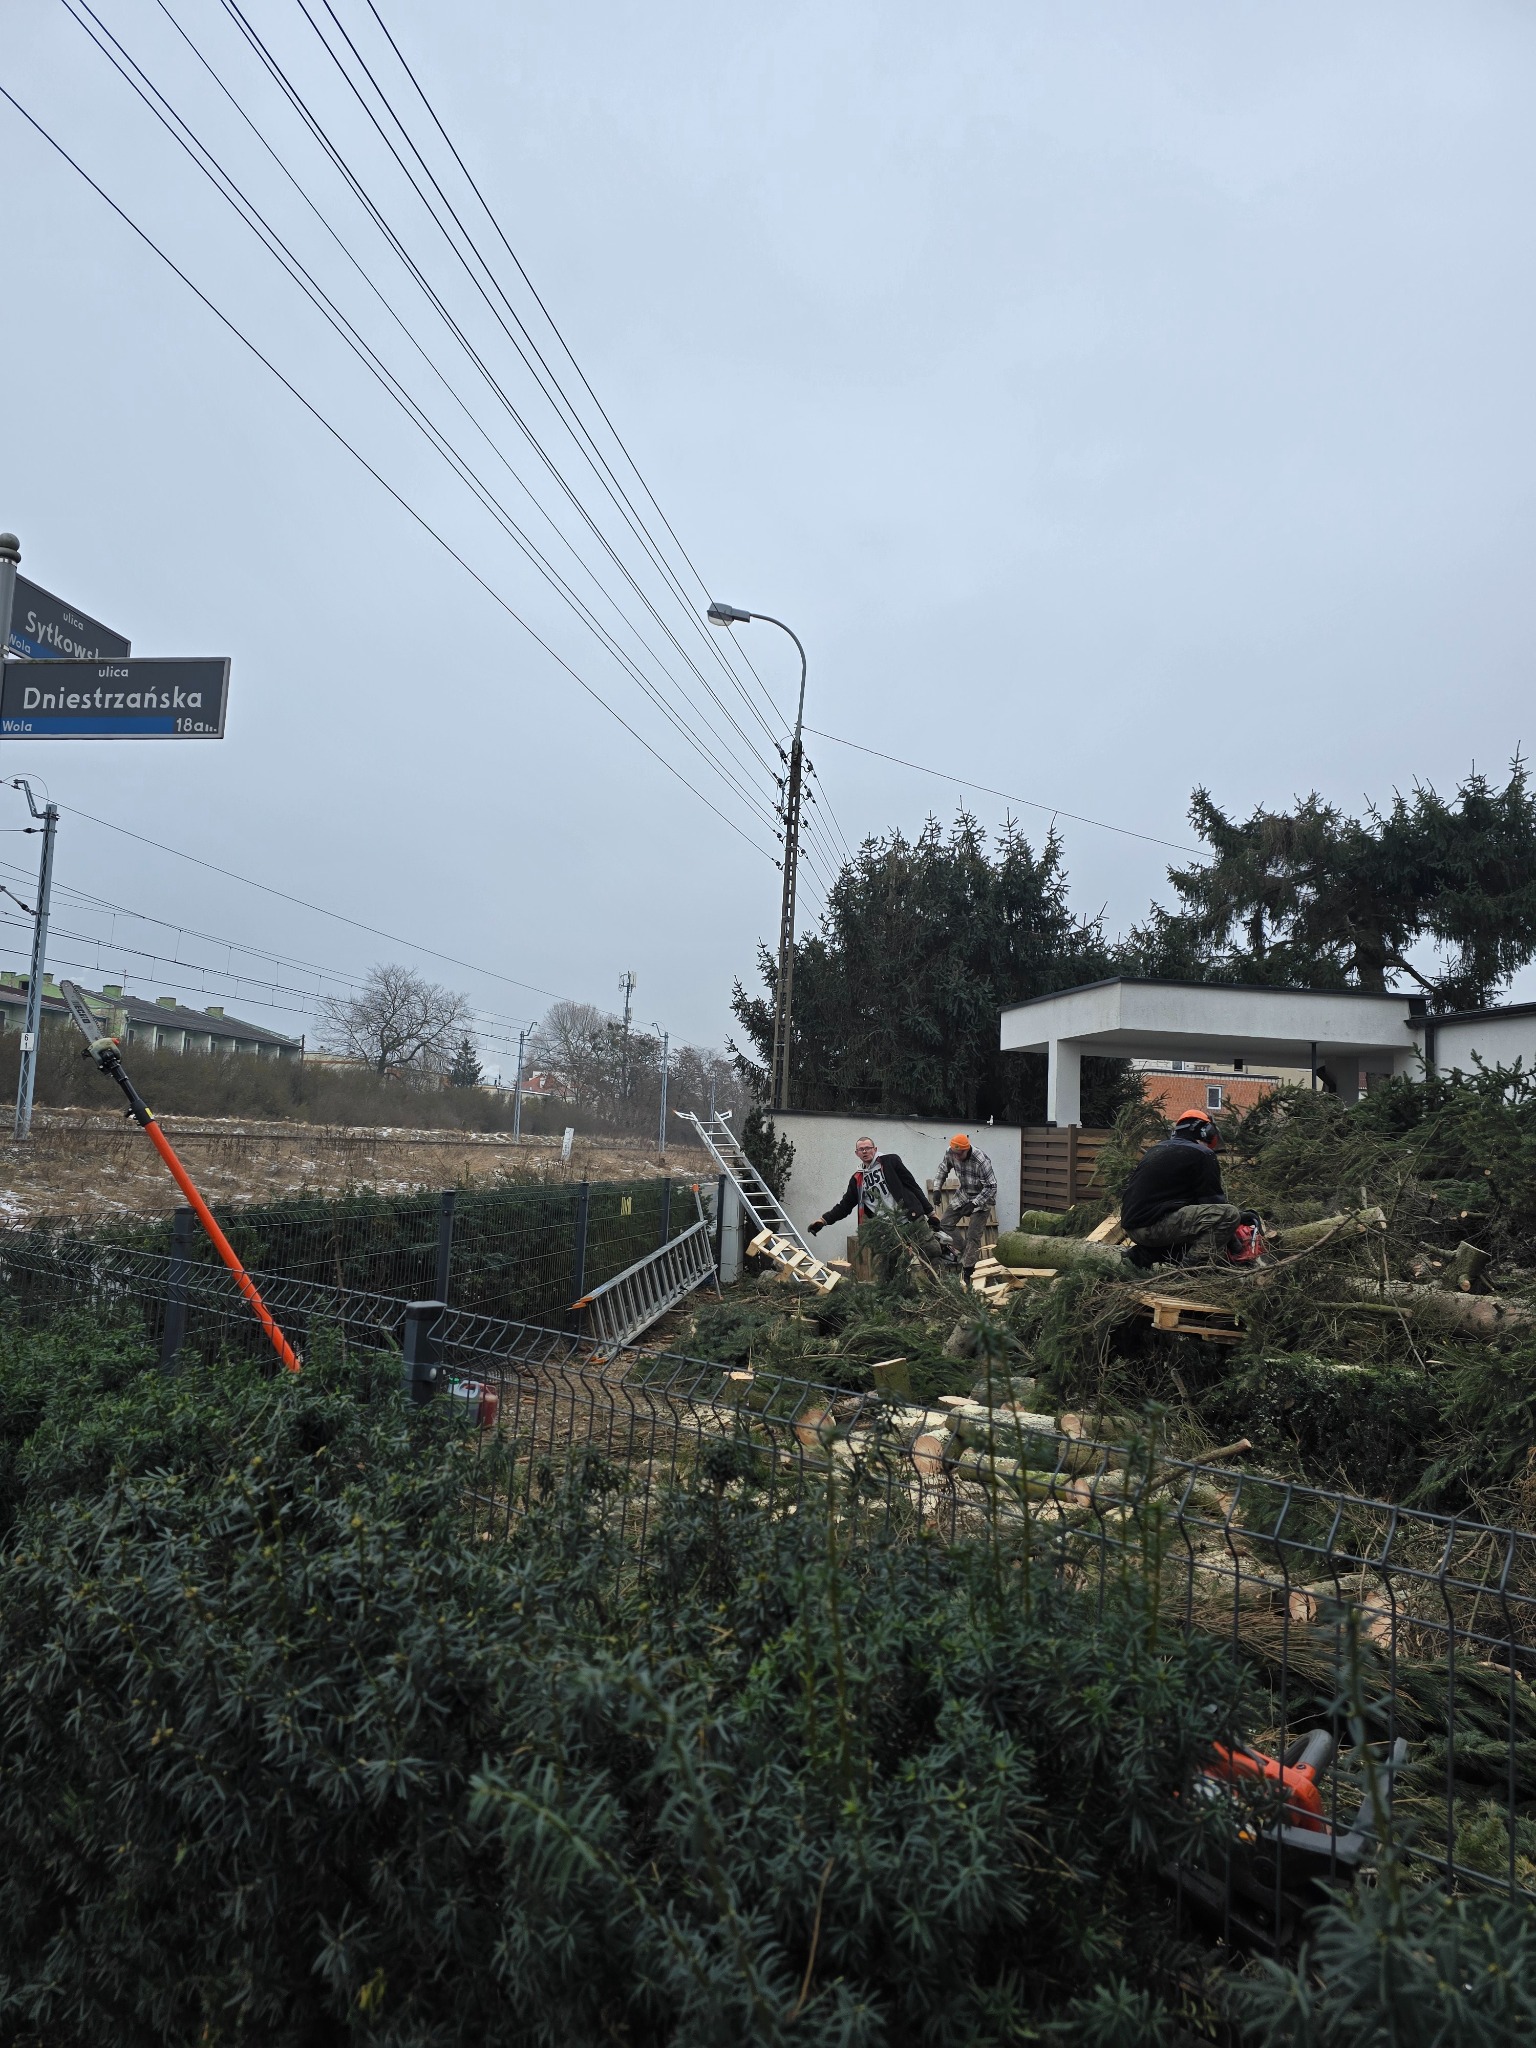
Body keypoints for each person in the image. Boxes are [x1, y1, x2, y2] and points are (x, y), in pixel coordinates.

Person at [1120, 1109, 1242, 1262]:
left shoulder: (1156, 1149)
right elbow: (1214, 1204)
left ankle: (1143, 1256)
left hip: (1133, 1227)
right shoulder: (1202, 1154)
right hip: (1153, 1227)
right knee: (1229, 1215)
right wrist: (1236, 1244)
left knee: (1198, 1229)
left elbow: (1190, 1207)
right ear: (1206, 1132)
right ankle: (1191, 1271)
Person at [807, 1136, 937, 1239]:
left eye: (868, 1148)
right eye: (861, 1149)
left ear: (875, 1149)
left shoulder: (891, 1161)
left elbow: (912, 1185)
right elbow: (845, 1206)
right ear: (856, 1153)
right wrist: (823, 1220)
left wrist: (930, 1213)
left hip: (911, 1217)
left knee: (932, 1251)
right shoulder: (857, 1180)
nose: (865, 1151)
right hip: (888, 1229)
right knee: (892, 1267)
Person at [932, 1133, 997, 1277]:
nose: (955, 1157)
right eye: (954, 1154)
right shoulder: (951, 1152)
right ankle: (965, 1252)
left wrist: (974, 1204)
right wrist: (937, 1188)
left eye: (959, 1154)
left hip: (982, 1198)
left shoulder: (980, 1160)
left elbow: (992, 1187)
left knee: (973, 1235)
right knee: (945, 1224)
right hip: (964, 1194)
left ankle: (968, 1271)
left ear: (966, 1150)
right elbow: (943, 1169)